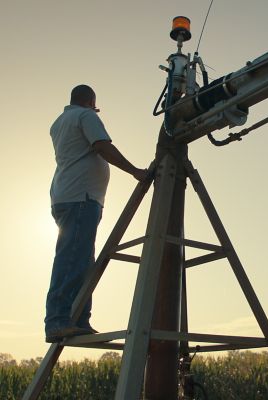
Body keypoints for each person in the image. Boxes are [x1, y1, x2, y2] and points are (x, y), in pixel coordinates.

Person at [45, 84, 147, 343]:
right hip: (81, 197)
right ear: (91, 101)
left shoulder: (60, 121)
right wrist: (134, 170)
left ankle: (78, 319)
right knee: (72, 259)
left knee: (82, 259)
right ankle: (58, 321)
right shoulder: (86, 116)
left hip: (71, 196)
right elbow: (102, 146)